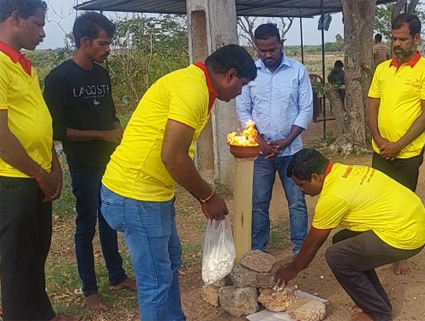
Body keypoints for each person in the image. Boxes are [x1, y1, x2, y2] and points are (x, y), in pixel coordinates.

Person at [100, 45, 257, 320]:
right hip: (135, 194)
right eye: (241, 84)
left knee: (170, 262)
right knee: (156, 280)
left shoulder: (198, 86)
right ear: (230, 75)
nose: (240, 93)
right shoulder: (192, 89)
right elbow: (173, 157)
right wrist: (208, 196)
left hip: (151, 193)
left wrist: (203, 198)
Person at [43, 12, 137, 312]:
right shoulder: (59, 78)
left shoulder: (101, 73)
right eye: (102, 43)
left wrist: (116, 129)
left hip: (111, 162)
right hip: (83, 164)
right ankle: (90, 290)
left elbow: (109, 112)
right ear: (84, 41)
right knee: (86, 226)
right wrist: (100, 134)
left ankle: (117, 276)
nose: (107, 48)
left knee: (110, 219)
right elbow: (54, 130)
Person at [274, 149, 425, 321]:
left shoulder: (332, 196)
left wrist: (293, 268)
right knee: (343, 241)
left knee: (337, 256)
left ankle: (378, 314)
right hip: (413, 221)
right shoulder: (346, 170)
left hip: (406, 235)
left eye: (301, 184)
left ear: (316, 177)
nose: (301, 190)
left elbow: (313, 244)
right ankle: (375, 303)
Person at [0, 1, 79, 320]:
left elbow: (37, 122)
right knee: (17, 258)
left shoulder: (22, 65)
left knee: (35, 251)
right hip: (13, 177)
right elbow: (2, 136)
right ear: (15, 18)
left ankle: (42, 314)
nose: (44, 32)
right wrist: (38, 173)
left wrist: (53, 166)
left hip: (36, 174)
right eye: (38, 23)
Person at [366, 13, 425, 276]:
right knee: (377, 203)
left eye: (402, 39)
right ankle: (376, 250)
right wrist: (378, 138)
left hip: (408, 152)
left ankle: (402, 255)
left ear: (416, 38)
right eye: (394, 38)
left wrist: (398, 144)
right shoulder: (382, 69)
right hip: (380, 150)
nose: (396, 44)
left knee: (404, 203)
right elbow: (372, 105)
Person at [236, 23, 313, 255]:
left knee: (297, 202)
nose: (268, 55)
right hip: (260, 152)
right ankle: (259, 249)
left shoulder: (297, 71)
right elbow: (243, 111)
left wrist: (287, 140)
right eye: (262, 51)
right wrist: (260, 142)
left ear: (281, 44)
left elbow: (306, 109)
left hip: (292, 151)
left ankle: (300, 248)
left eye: (272, 49)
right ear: (256, 49)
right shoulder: (250, 73)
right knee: (258, 202)